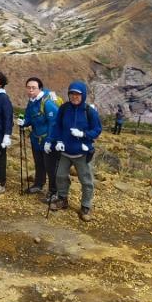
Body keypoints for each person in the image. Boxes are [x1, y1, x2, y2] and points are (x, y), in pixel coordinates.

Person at [47, 81, 103, 221]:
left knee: (86, 181)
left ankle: (85, 206)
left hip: (82, 153)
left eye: (77, 94)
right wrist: (56, 140)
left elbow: (97, 130)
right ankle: (62, 199)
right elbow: (57, 126)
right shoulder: (64, 108)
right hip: (65, 151)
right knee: (60, 176)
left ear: (83, 95)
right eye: (72, 93)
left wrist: (83, 135)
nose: (74, 96)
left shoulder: (89, 111)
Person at [18, 77, 60, 198]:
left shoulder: (47, 102)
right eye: (28, 87)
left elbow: (54, 123)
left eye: (33, 88)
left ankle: (54, 191)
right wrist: (24, 122)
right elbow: (29, 117)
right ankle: (38, 184)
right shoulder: (31, 101)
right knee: (39, 163)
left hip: (48, 140)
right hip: (36, 139)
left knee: (50, 167)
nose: (30, 90)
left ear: (40, 88)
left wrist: (49, 141)